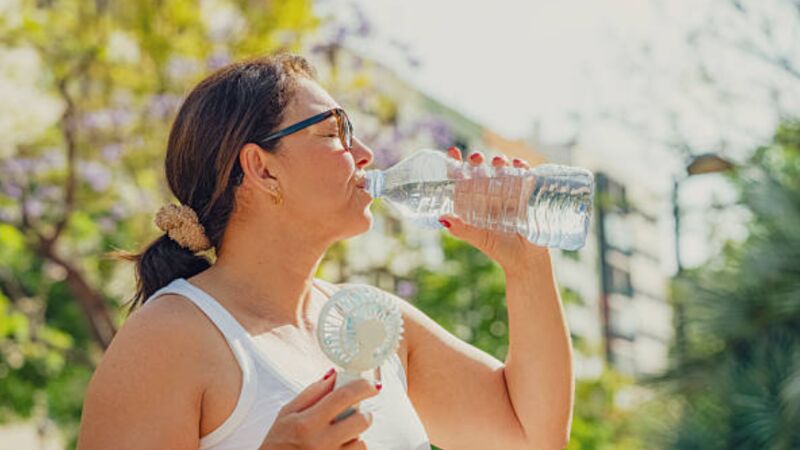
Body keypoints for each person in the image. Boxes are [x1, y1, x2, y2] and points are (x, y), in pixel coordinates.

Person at [77, 54, 574, 450]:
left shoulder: (372, 320)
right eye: (335, 132)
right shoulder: (170, 337)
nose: (366, 155)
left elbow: (531, 435)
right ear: (263, 169)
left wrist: (527, 263)